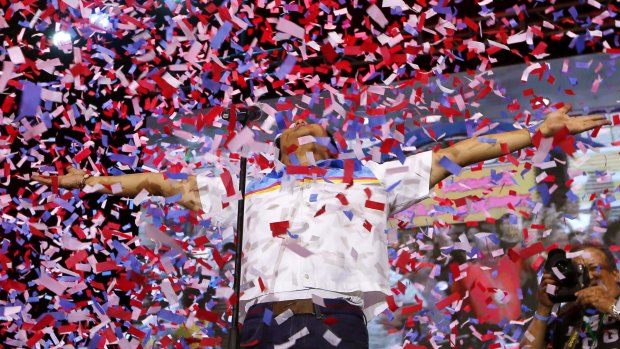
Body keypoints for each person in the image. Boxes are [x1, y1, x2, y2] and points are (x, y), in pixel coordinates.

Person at [33, 105, 608, 347]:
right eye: (294, 129)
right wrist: (90, 181)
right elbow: (160, 184)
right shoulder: (245, 184)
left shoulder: (374, 178)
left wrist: (542, 130)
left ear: (333, 145)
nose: (306, 131)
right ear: (280, 146)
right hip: (260, 323)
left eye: (318, 129)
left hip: (335, 318)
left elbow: (462, 152)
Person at [521, 242, 620, 349]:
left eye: (593, 268)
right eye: (580, 271)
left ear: (615, 274)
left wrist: (612, 307)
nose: (588, 277)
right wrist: (543, 308)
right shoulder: (565, 316)